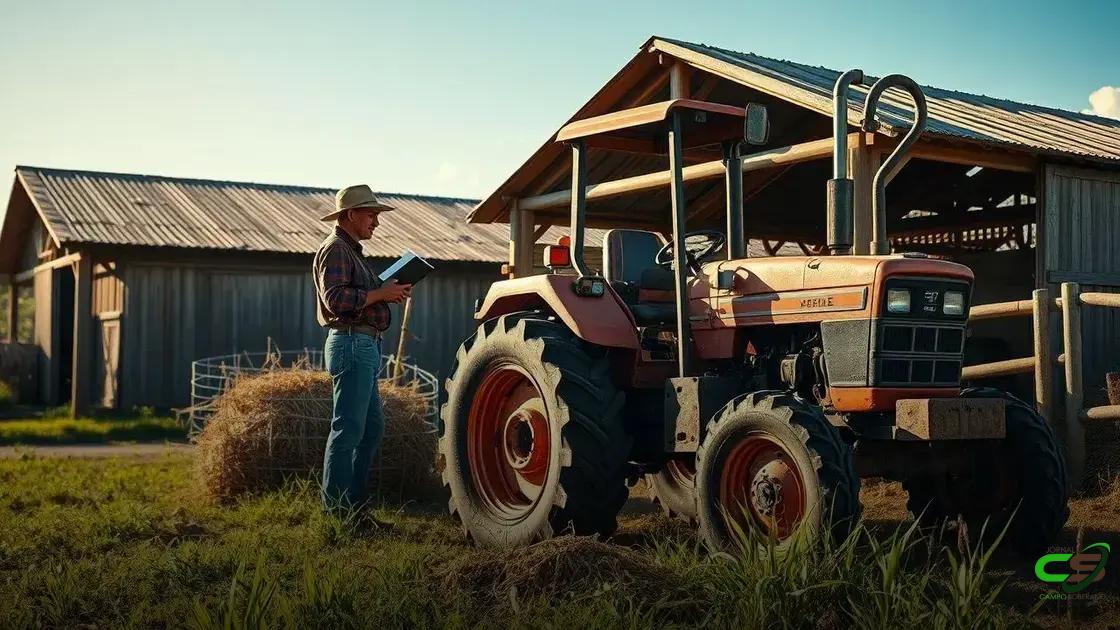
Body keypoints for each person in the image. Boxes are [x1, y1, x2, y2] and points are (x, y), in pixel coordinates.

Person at [313, 184, 411, 517]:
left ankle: (354, 508)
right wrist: (381, 294)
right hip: (352, 342)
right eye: (371, 215)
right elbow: (336, 300)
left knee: (370, 429)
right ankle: (338, 512)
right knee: (348, 430)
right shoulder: (337, 249)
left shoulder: (351, 251)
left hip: (362, 344)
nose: (376, 223)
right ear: (351, 215)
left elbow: (356, 294)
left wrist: (386, 291)